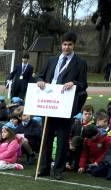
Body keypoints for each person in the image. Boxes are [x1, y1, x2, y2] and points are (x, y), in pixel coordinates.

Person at [36, 31, 88, 180]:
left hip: (66, 107)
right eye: (64, 44)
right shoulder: (51, 60)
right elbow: (40, 75)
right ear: (61, 45)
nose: (66, 47)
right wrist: (40, 80)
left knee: (62, 140)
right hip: (48, 105)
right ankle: (44, 168)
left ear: (74, 45)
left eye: (70, 44)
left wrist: (74, 83)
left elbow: (84, 84)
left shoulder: (80, 63)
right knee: (46, 138)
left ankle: (58, 170)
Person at [66, 104, 95, 170]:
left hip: (84, 149)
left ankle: (78, 164)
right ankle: (67, 162)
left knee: (75, 167)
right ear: (82, 114)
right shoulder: (76, 124)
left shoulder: (93, 126)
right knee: (66, 146)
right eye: (85, 114)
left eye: (90, 114)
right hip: (73, 147)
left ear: (92, 114)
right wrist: (70, 143)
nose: (87, 116)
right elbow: (70, 135)